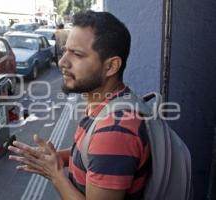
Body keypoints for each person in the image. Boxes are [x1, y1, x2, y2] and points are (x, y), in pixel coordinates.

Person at [9, 10, 151, 200]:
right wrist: (58, 158)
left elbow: (102, 149)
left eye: (76, 54)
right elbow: (91, 155)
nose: (62, 62)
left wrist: (54, 173)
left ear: (111, 66)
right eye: (65, 50)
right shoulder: (109, 101)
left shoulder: (113, 133)